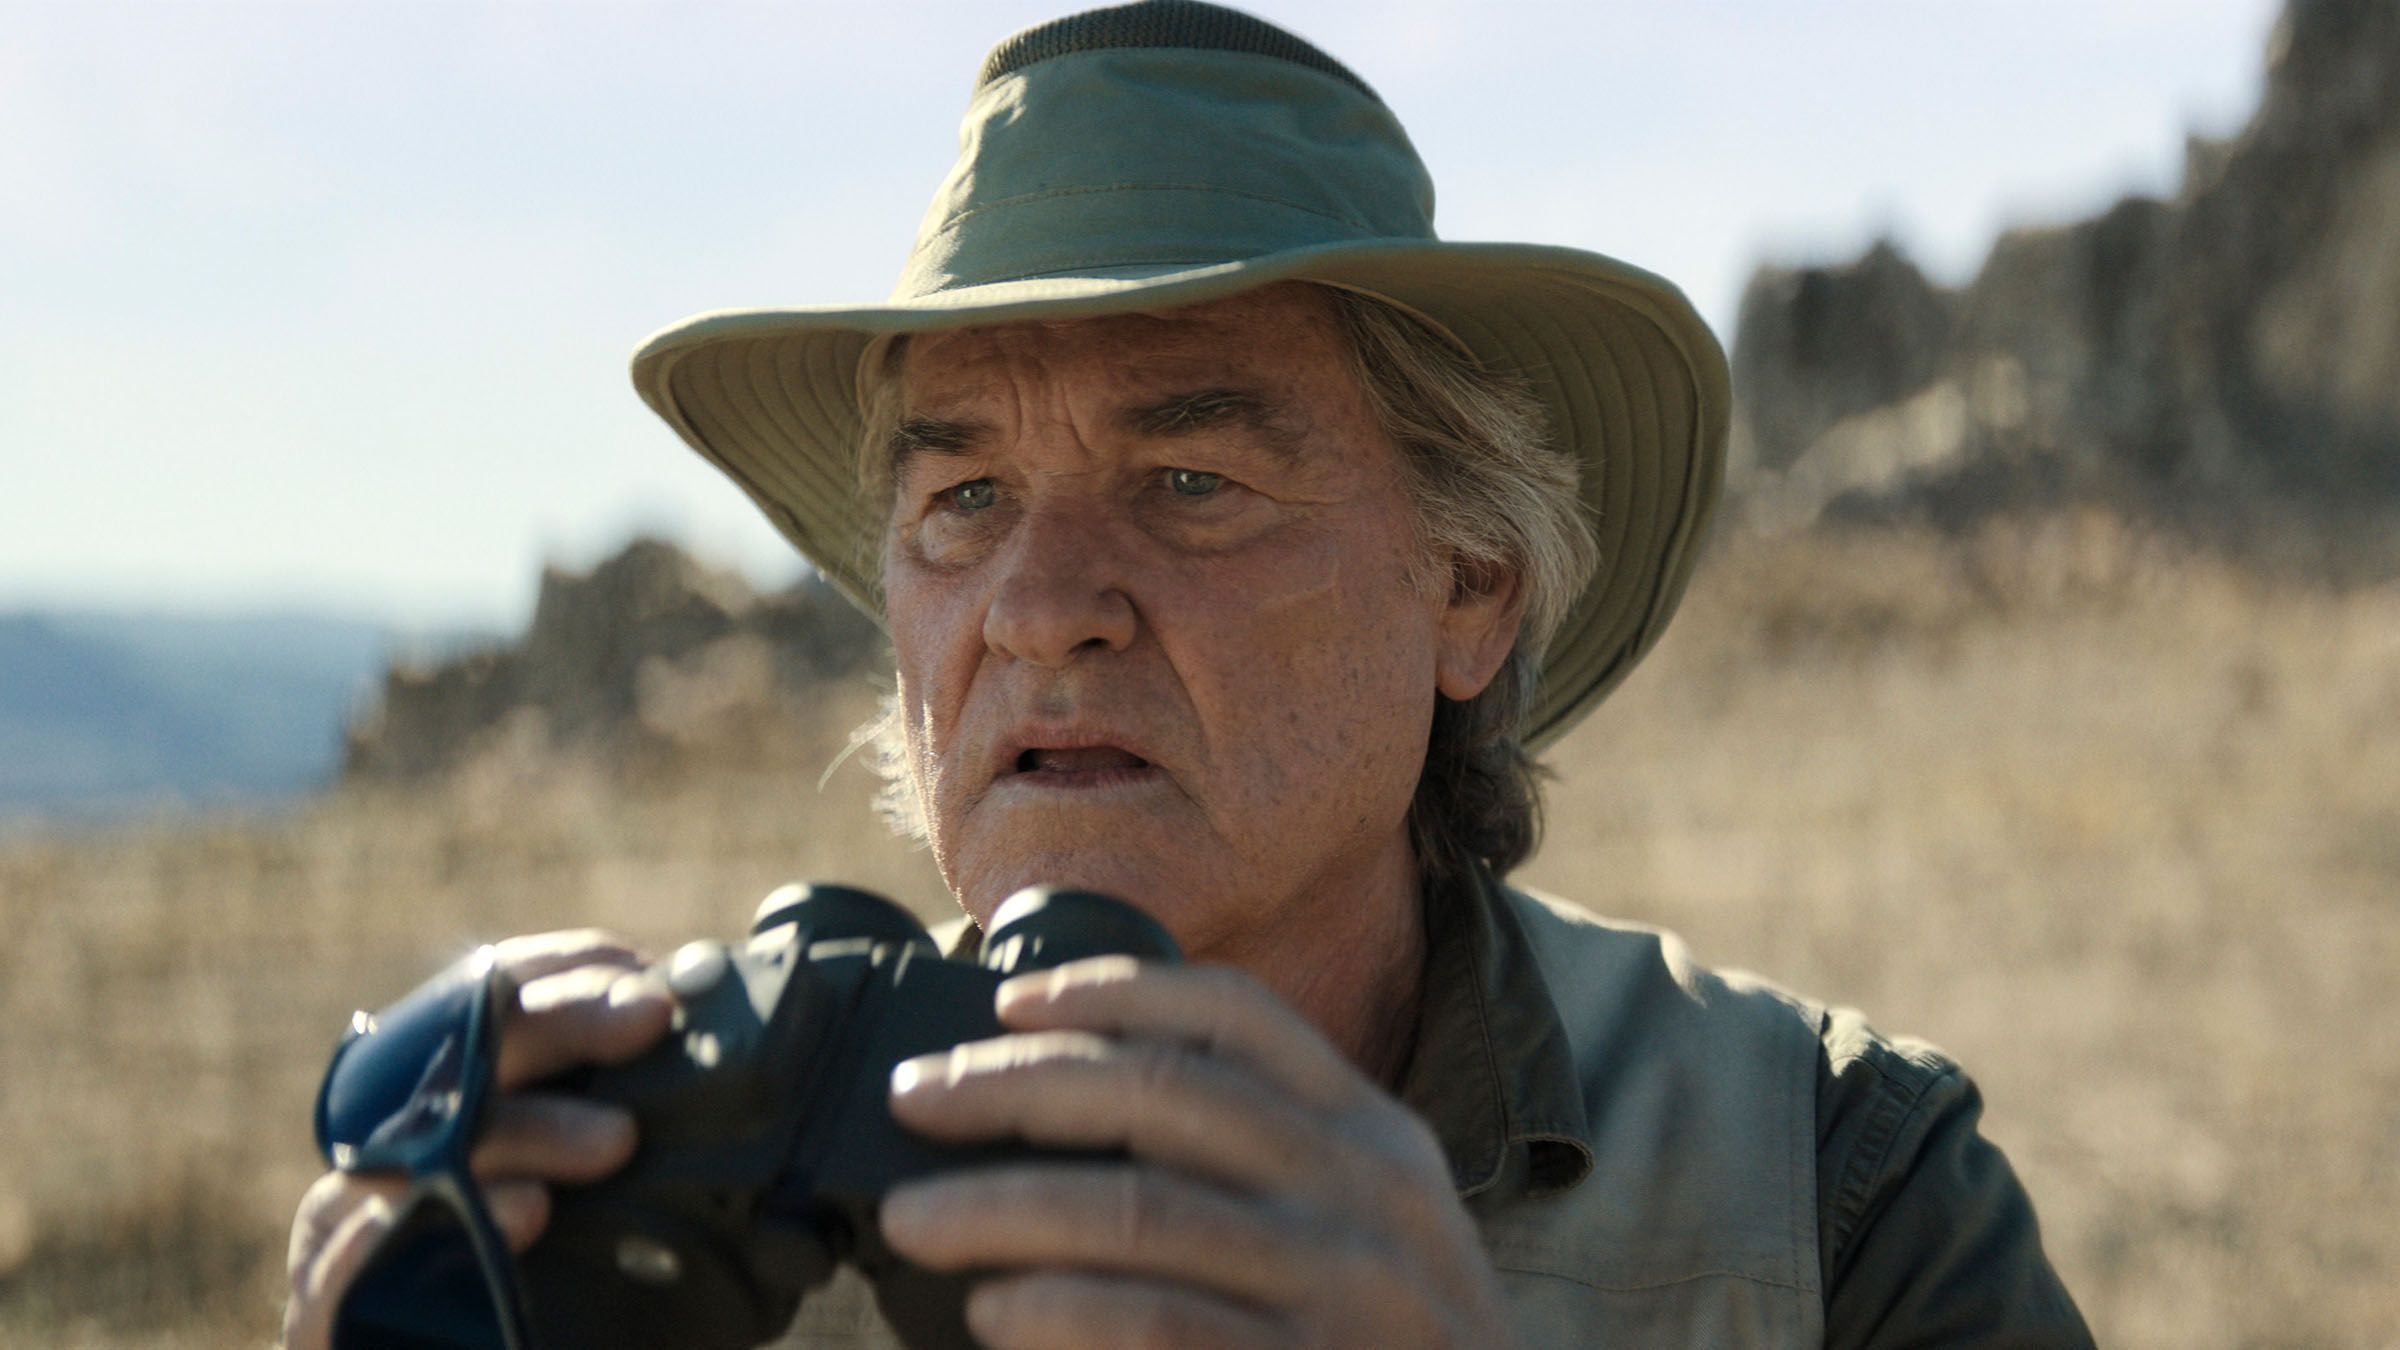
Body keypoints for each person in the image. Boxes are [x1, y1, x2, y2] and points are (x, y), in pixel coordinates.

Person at [284, 3, 2094, 1346]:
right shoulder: (681, 1213)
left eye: (1191, 482)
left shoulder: (1829, 1189)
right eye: (963, 499)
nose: (1039, 607)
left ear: (1471, 588)